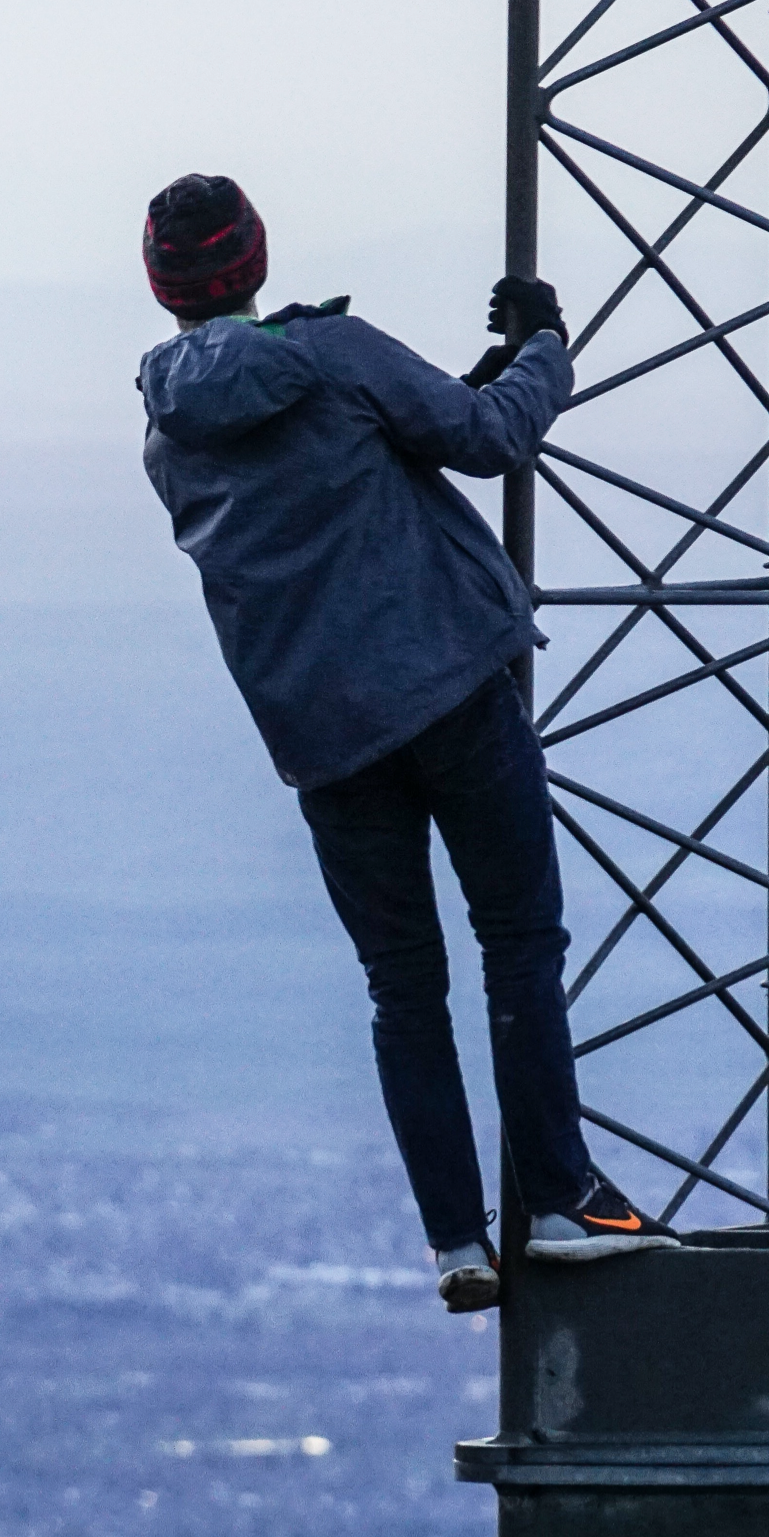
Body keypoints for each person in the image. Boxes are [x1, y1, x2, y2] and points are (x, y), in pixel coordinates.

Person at [135, 173, 679, 1314]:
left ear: (164, 287)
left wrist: (447, 388)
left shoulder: (167, 433)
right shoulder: (332, 351)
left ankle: (455, 1241)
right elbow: (485, 442)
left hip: (327, 742)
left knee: (403, 986)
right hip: (450, 691)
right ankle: (562, 1199)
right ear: (258, 258)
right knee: (519, 941)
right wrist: (545, 346)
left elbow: (335, 477)